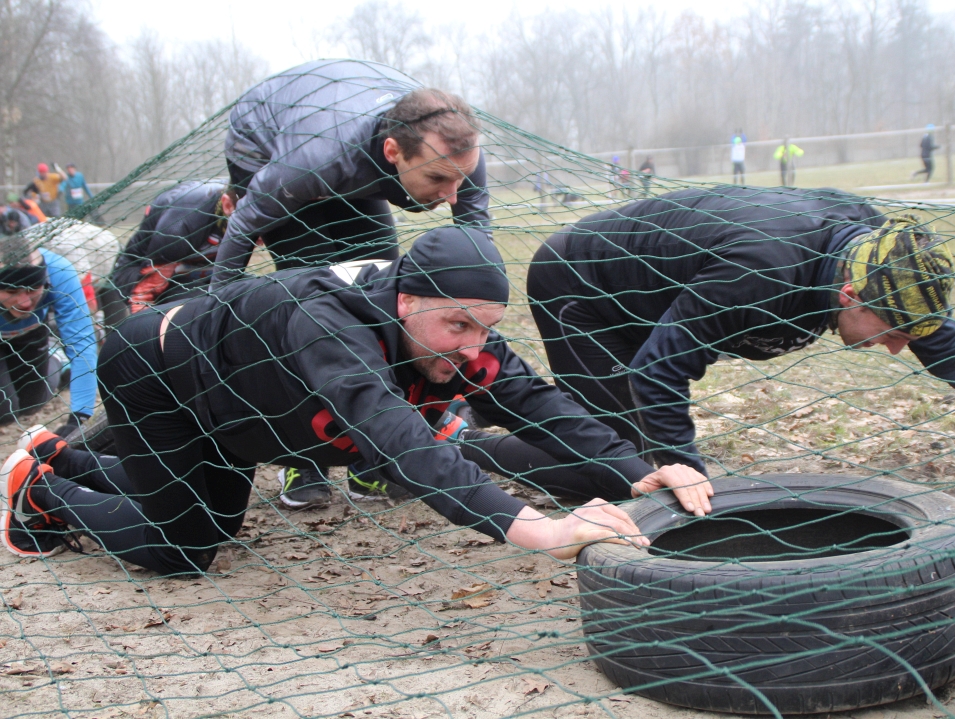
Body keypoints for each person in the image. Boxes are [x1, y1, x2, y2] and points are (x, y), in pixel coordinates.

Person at [0, 226, 711, 568]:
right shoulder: (332, 325)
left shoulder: (453, 332)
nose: (473, 346)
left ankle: (63, 455)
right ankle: (40, 486)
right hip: (158, 371)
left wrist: (636, 471)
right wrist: (543, 530)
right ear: (405, 300)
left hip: (236, 400)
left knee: (205, 511)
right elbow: (399, 441)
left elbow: (534, 401)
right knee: (183, 548)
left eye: (485, 328)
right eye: (458, 325)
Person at [526, 186, 955, 473]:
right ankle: (485, 447)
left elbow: (947, 344)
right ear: (850, 294)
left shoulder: (879, 252)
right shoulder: (761, 272)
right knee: (616, 466)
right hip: (583, 286)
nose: (894, 350)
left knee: (640, 450)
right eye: (891, 332)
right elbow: (658, 371)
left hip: (656, 296)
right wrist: (691, 478)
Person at [212, 59, 490, 288]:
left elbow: (478, 245)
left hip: (345, 131)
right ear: (392, 151)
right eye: (436, 178)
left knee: (379, 276)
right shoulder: (317, 159)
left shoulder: (456, 153)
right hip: (263, 137)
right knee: (315, 285)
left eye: (461, 178)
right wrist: (215, 308)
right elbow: (245, 222)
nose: (452, 196)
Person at [0, 234, 97, 434]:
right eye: (11, 292)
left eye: (32, 289)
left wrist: (79, 418)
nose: (24, 303)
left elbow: (82, 344)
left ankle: (56, 356)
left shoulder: (59, 271)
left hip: (30, 333)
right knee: (4, 413)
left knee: (31, 405)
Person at [109, 181, 235, 317]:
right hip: (142, 274)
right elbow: (144, 293)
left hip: (198, 273)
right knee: (204, 305)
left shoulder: (243, 205)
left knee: (243, 294)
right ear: (227, 205)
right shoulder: (185, 219)